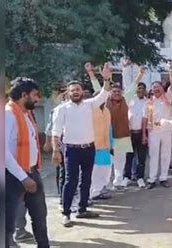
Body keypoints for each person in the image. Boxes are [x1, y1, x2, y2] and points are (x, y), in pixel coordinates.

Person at [52, 66, 111, 227]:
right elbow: (56, 132)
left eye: (77, 89)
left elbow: (104, 94)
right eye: (72, 90)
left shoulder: (89, 104)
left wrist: (106, 79)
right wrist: (56, 150)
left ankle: (82, 209)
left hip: (89, 149)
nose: (75, 92)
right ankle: (66, 213)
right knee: (71, 181)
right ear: (68, 93)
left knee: (86, 180)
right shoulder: (61, 109)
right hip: (71, 150)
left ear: (82, 91)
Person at [5, 77, 49, 247]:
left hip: (32, 171)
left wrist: (30, 174)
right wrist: (23, 177)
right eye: (35, 95)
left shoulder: (27, 115)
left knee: (40, 216)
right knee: (7, 223)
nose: (37, 99)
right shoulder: (8, 114)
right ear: (24, 95)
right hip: (12, 175)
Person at [89, 63, 141, 191]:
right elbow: (97, 87)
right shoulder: (104, 100)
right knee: (106, 163)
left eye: (119, 91)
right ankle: (102, 186)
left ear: (122, 92)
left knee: (120, 162)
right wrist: (91, 73)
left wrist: (141, 74)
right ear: (110, 93)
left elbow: (134, 86)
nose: (117, 93)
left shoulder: (125, 99)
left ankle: (117, 182)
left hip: (122, 136)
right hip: (107, 138)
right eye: (114, 91)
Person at [142, 62, 172, 189]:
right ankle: (152, 179)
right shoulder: (149, 102)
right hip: (153, 132)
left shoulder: (167, 98)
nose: (156, 89)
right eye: (154, 87)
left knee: (166, 154)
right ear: (151, 90)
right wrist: (144, 134)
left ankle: (163, 178)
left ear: (162, 88)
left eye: (158, 87)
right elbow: (145, 119)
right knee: (153, 155)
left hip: (166, 130)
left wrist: (171, 69)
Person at [123, 69, 148, 188]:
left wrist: (144, 135)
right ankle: (126, 177)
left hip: (142, 133)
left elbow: (146, 118)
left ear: (145, 91)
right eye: (139, 89)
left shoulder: (148, 102)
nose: (140, 91)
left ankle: (140, 178)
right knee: (129, 156)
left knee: (141, 158)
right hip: (130, 133)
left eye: (142, 89)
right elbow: (132, 86)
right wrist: (140, 74)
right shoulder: (130, 99)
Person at [89, 94, 114, 200]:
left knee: (105, 171)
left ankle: (97, 192)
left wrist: (112, 145)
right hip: (93, 146)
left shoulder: (107, 111)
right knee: (93, 172)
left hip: (106, 146)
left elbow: (109, 129)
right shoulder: (90, 111)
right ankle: (88, 195)